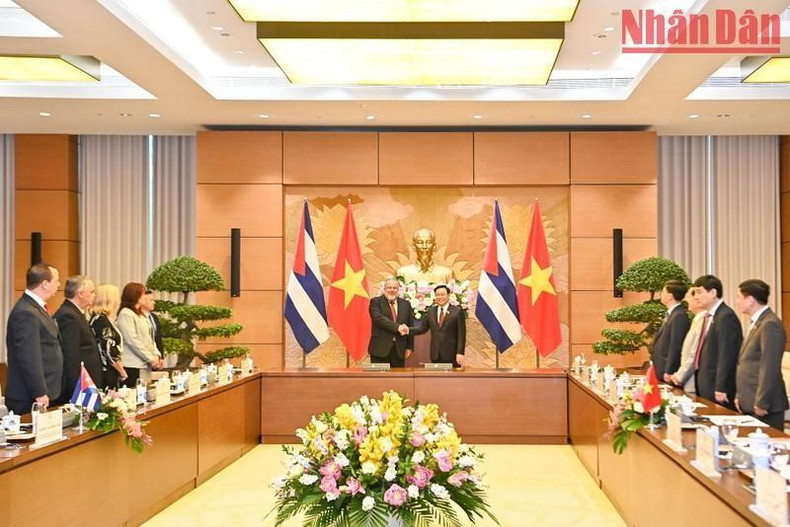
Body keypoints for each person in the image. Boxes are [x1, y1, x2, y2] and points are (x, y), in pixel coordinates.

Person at [5, 263, 63, 414]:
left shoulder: (35, 308)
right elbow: (29, 357)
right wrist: (40, 392)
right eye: (56, 280)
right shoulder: (26, 312)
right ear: (45, 284)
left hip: (43, 392)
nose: (59, 285)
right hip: (30, 396)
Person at [734, 279, 788, 430]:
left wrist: (762, 401)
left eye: (739, 297)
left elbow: (769, 366)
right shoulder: (757, 322)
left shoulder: (770, 324)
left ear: (750, 300)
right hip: (749, 399)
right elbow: (747, 362)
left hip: (765, 404)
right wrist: (740, 396)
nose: (736, 301)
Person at [692, 274, 743, 408]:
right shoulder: (709, 316)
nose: (695, 297)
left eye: (699, 292)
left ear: (713, 293)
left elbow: (727, 355)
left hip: (717, 387)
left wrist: (721, 387)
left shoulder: (726, 317)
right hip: (706, 383)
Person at [54, 275, 102, 402]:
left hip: (86, 381)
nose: (94, 295)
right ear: (80, 294)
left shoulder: (75, 313)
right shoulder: (68, 316)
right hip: (80, 386)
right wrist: (77, 390)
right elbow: (71, 355)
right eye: (91, 292)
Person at [406, 284, 466, 367]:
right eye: (437, 295)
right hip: (435, 354)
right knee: (436, 375)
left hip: (452, 354)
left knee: (452, 375)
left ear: (448, 295)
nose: (440, 297)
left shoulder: (457, 311)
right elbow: (422, 328)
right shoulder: (431, 311)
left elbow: (461, 334)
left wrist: (460, 352)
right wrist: (407, 330)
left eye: (442, 295)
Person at [116, 283, 163, 387]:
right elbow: (132, 341)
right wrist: (150, 358)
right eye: (142, 294)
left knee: (145, 392)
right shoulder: (126, 313)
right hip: (133, 365)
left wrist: (156, 355)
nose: (145, 296)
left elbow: (150, 338)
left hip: (145, 364)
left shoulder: (140, 314)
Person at [368, 278, 414, 367]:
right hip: (379, 349)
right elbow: (378, 319)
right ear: (384, 289)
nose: (392, 290)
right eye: (389, 287)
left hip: (399, 350)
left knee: (398, 376)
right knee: (379, 375)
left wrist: (409, 347)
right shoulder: (376, 302)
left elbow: (410, 325)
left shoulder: (406, 304)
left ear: (398, 290)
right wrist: (397, 327)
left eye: (394, 288)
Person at [88, 284, 127, 390]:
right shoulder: (101, 320)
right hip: (105, 370)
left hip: (108, 369)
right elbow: (108, 349)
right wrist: (121, 370)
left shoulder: (102, 319)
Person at [669, 288, 707, 393]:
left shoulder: (703, 321)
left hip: (693, 379)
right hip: (689, 378)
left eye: (689, 297)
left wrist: (680, 376)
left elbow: (694, 353)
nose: (686, 301)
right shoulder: (696, 320)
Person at [652, 280, 690, 382]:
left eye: (663, 292)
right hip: (660, 368)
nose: (661, 294)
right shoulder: (672, 314)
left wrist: (669, 370)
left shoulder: (679, 315)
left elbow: (676, 346)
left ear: (670, 296)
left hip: (668, 371)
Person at [140, 289, 164, 357]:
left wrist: (161, 356)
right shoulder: (136, 317)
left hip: (155, 355)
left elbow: (158, 338)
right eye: (151, 300)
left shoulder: (154, 317)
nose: (154, 302)